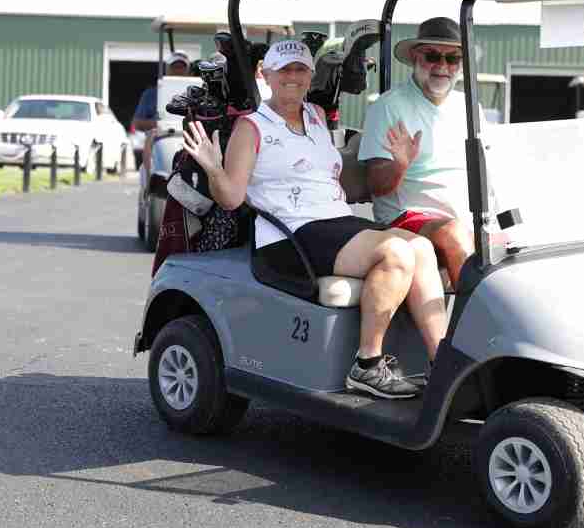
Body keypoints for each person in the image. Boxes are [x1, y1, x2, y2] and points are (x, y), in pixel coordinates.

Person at [182, 39, 448, 400]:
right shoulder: (251, 127)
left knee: (421, 247)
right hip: (288, 236)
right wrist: (214, 168)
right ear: (266, 74)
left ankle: (441, 364)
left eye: (300, 69)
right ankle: (367, 365)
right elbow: (231, 198)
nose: (292, 77)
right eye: (284, 70)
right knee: (396, 252)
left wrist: (399, 164)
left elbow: (331, 180)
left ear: (310, 76)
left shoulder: (317, 117)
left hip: (333, 222)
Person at [357, 17, 474, 290]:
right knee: (455, 234)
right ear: (414, 57)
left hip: (463, 217)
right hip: (407, 217)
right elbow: (377, 185)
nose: (442, 66)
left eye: (452, 58)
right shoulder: (389, 107)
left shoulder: (468, 106)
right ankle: (475, 315)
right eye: (432, 56)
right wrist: (400, 165)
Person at [133, 51, 190, 183]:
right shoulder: (151, 94)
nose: (178, 70)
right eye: (174, 67)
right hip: (162, 135)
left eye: (182, 67)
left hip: (188, 133)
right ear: (167, 69)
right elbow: (137, 123)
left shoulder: (196, 93)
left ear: (188, 70)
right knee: (152, 138)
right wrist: (158, 124)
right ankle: (150, 185)